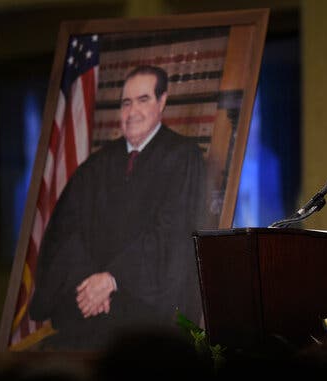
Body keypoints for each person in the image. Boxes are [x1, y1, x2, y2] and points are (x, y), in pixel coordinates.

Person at [29, 65, 206, 350]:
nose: (132, 111)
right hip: (89, 308)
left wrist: (113, 279)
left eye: (143, 99)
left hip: (146, 316)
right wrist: (90, 284)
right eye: (126, 102)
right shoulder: (97, 165)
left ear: (162, 102)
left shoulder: (182, 157)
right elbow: (66, 233)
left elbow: (172, 234)